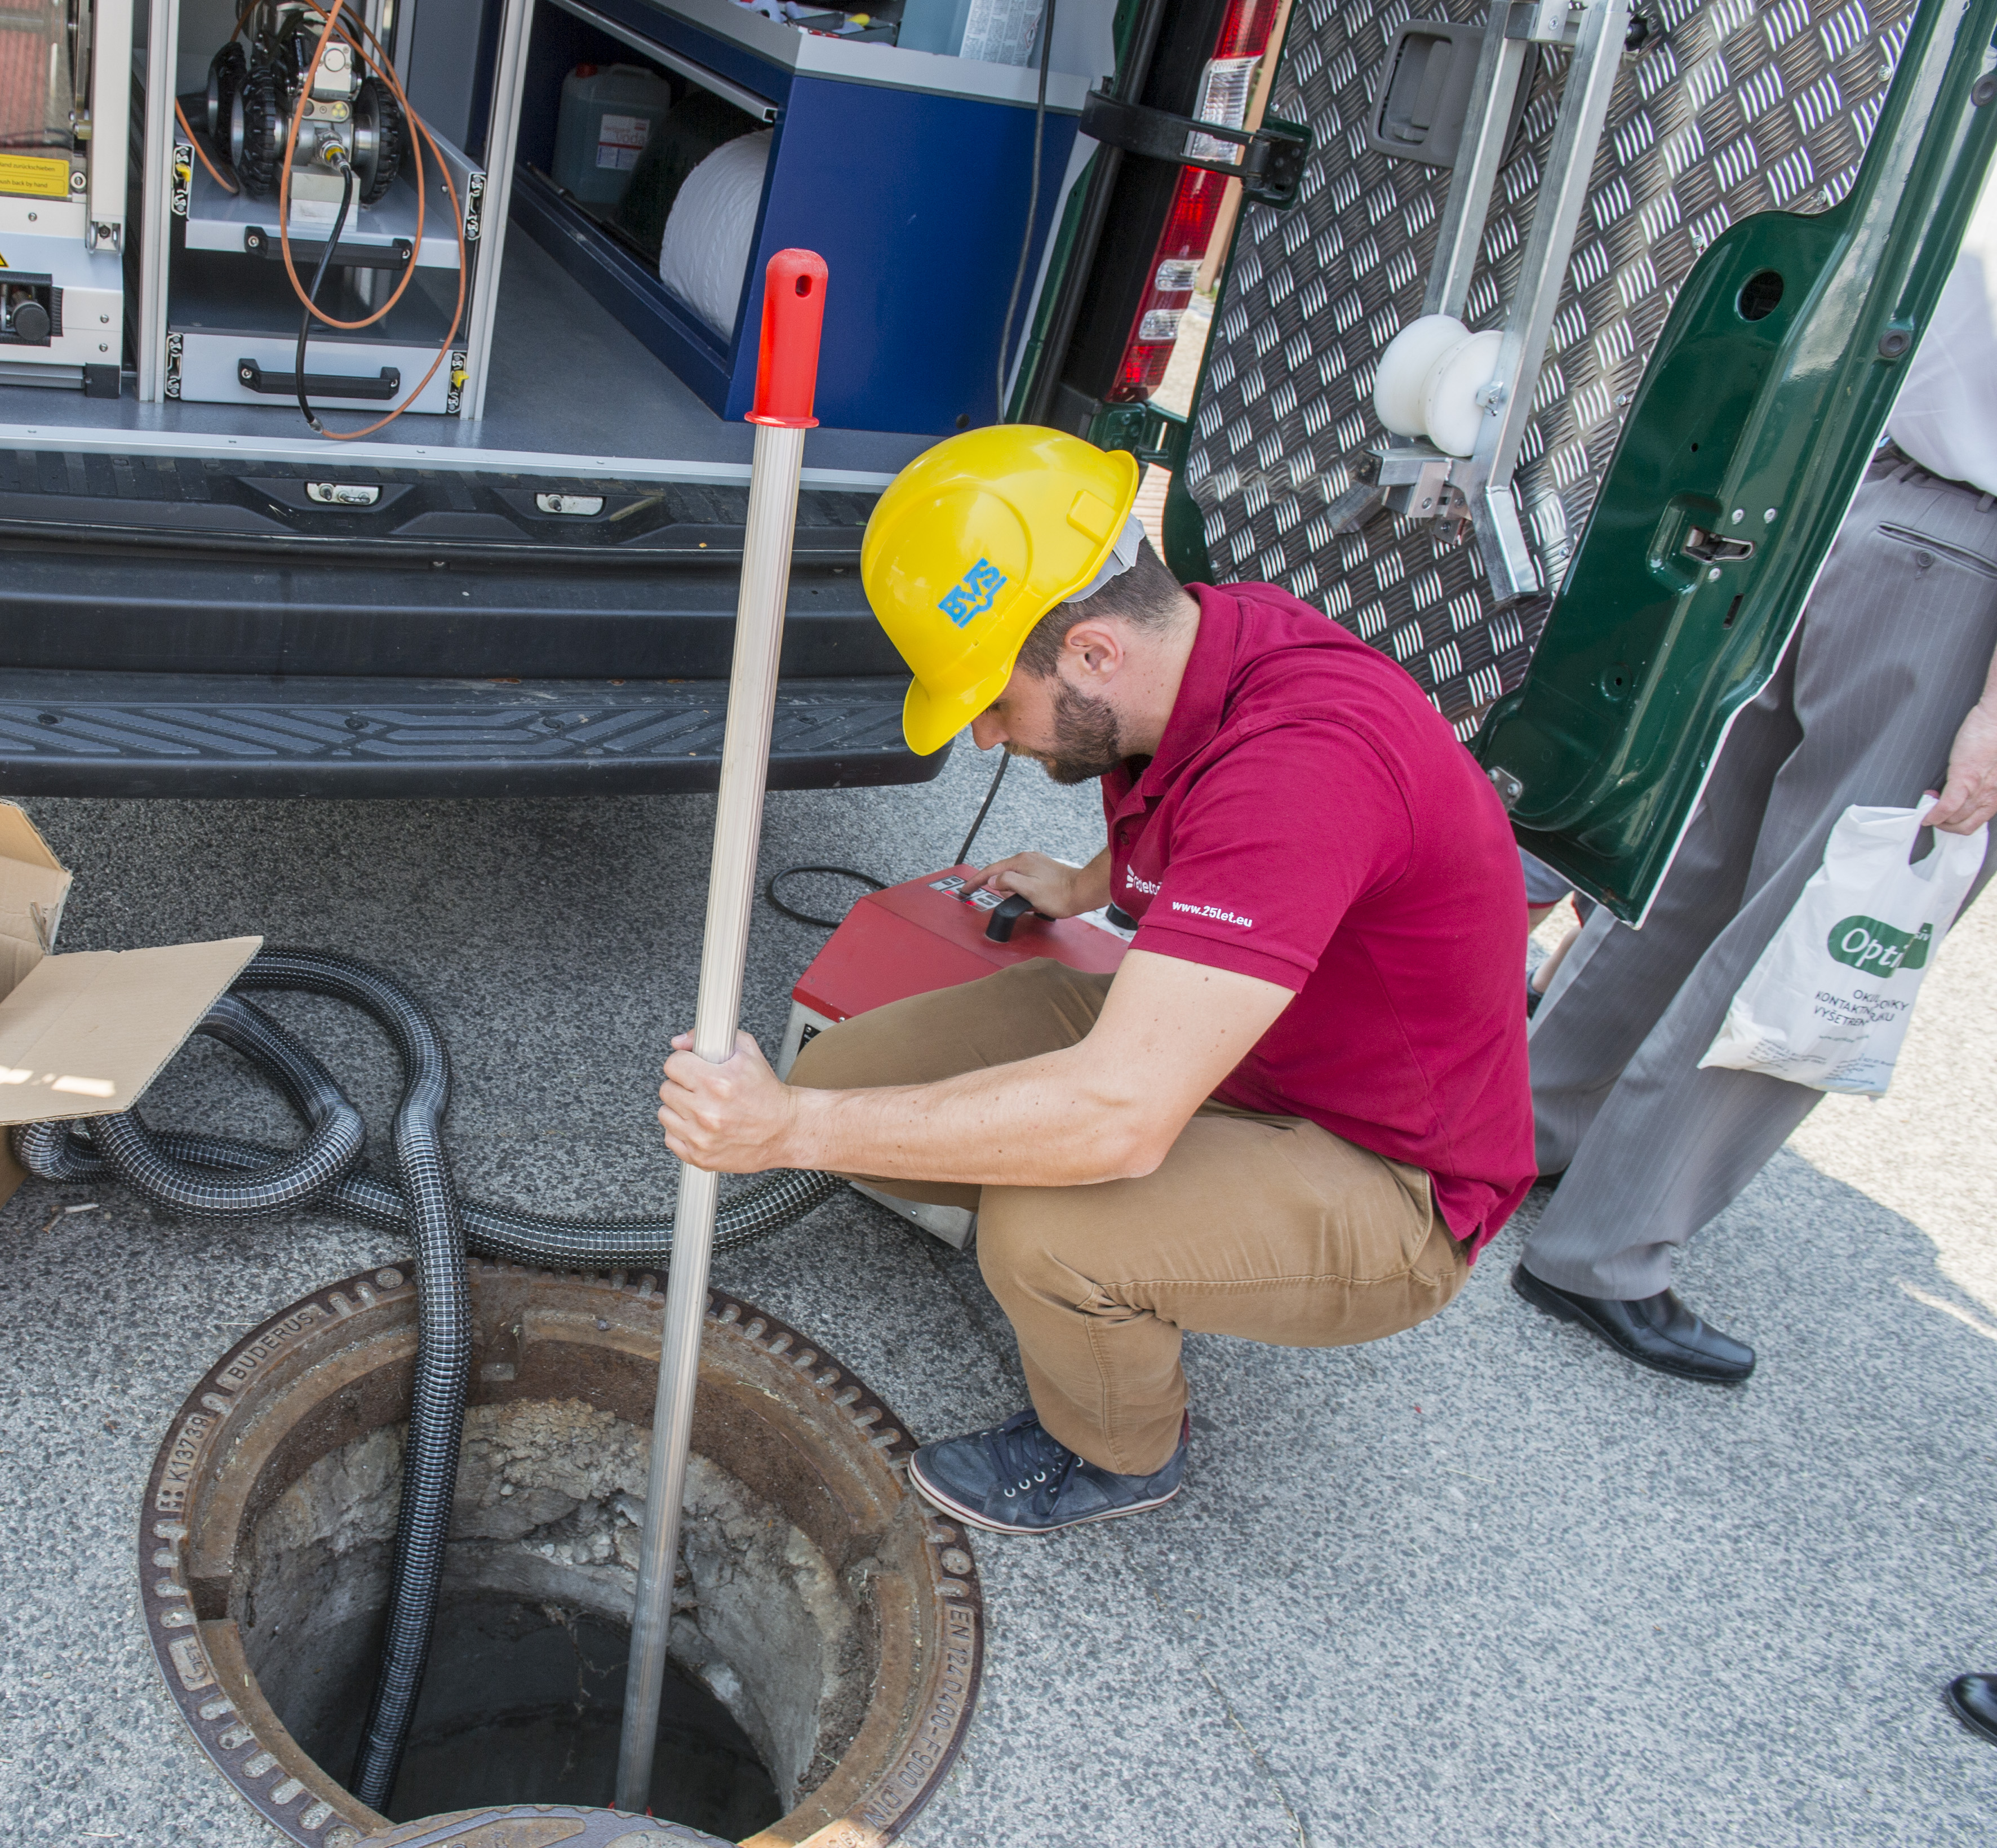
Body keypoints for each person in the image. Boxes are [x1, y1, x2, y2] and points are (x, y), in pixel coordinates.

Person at [655, 427, 1536, 1535]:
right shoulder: (1196, 658)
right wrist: (1084, 883)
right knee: (854, 1065)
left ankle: (1119, 1450)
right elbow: (1195, 826)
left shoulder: (1302, 768)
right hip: (1247, 1041)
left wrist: (784, 1131)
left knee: (1043, 1228)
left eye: (988, 695)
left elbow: (1117, 1117)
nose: (978, 732)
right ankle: (1134, 1247)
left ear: (1094, 653)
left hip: (1384, 1166)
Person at [1510, 166, 1997, 1391]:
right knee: (1824, 933)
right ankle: (1604, 1248)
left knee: (1698, 865)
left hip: (1856, 512)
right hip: (1965, 583)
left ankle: (1530, 1126)